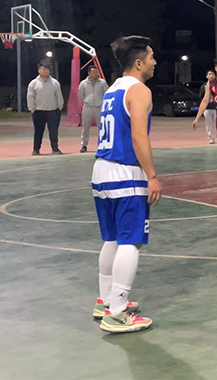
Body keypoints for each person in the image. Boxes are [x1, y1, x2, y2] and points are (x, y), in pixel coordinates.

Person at [91, 35, 160, 334]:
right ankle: (117, 313)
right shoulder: (139, 90)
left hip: (101, 171)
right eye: (152, 57)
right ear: (139, 63)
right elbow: (138, 136)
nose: (155, 62)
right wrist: (152, 175)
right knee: (130, 241)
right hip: (126, 173)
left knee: (112, 239)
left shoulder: (112, 89)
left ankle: (105, 301)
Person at [27, 61, 64, 155]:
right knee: (38, 131)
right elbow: (30, 96)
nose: (45, 71)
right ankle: (36, 149)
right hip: (39, 111)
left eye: (47, 69)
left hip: (53, 111)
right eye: (43, 69)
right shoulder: (33, 83)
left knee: (54, 131)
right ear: (39, 70)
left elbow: (59, 96)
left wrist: (59, 108)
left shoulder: (55, 83)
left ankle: (55, 148)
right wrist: (32, 109)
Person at [78, 66, 108, 153]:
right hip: (88, 107)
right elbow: (81, 94)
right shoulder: (83, 83)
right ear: (89, 73)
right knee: (86, 126)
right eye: (94, 72)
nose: (96, 74)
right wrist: (87, 101)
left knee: (101, 127)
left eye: (96, 72)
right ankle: (84, 145)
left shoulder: (102, 83)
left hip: (99, 107)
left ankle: (102, 144)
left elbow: (106, 93)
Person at [198, 70, 217, 144]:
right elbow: (201, 97)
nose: (211, 76)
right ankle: (210, 137)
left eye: (212, 74)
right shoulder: (203, 87)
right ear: (207, 76)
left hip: (216, 108)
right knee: (208, 124)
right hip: (207, 108)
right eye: (209, 74)